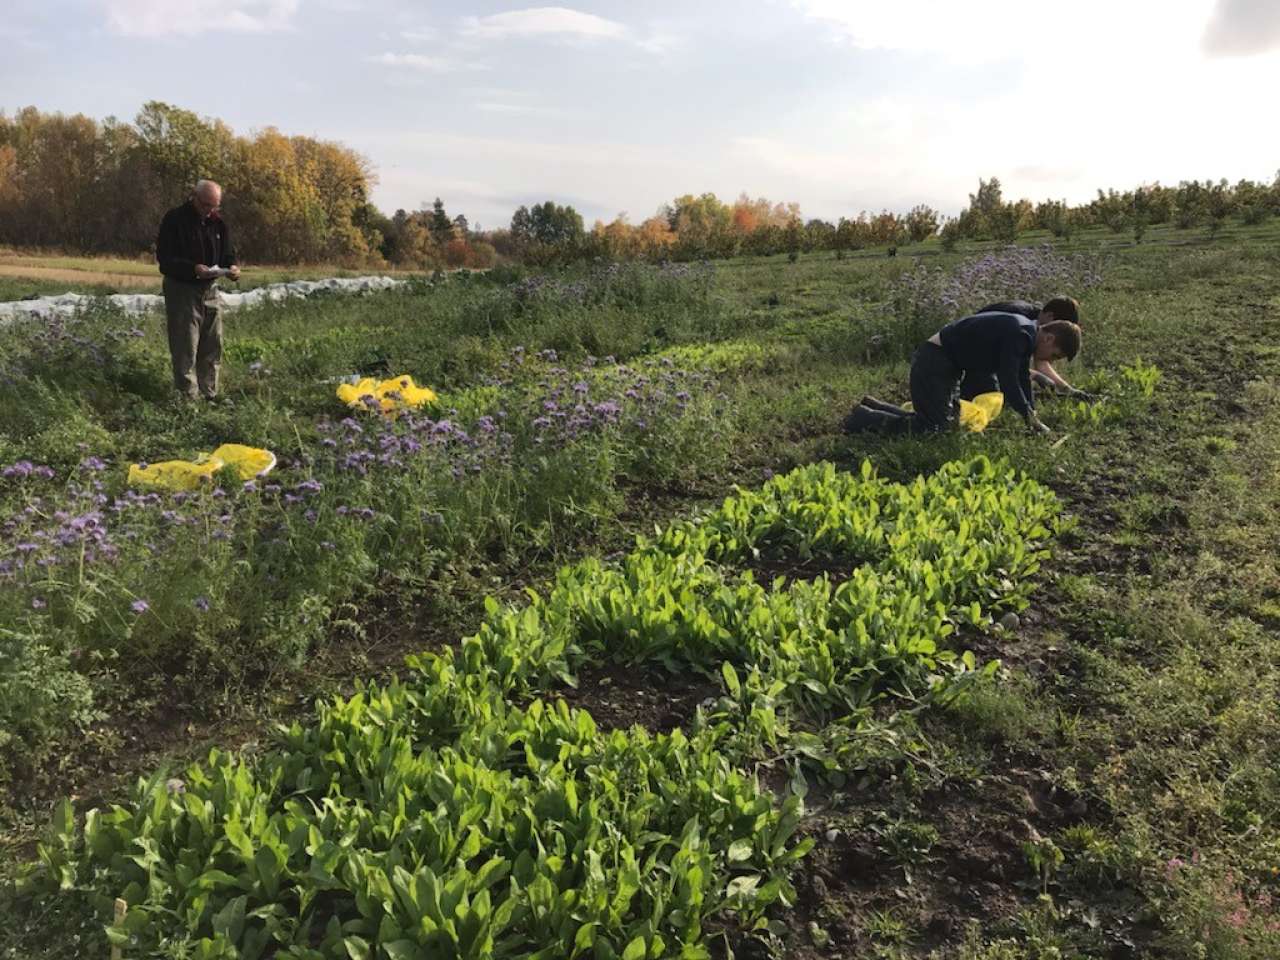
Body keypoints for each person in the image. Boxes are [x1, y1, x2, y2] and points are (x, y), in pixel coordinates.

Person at [843, 310, 1082, 436]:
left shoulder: (1026, 333)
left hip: (947, 365)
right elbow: (1008, 379)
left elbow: (1021, 377)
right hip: (935, 363)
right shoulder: (1021, 333)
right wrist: (1029, 417)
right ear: (1049, 337)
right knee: (932, 430)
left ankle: (872, 406)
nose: (1050, 361)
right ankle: (862, 418)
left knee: (943, 423)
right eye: (1055, 355)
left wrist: (1032, 414)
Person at [156, 179, 239, 400]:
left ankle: (210, 394)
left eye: (214, 206)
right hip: (182, 289)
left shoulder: (218, 223)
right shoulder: (175, 220)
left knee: (212, 344)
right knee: (186, 346)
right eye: (205, 205)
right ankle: (188, 399)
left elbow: (228, 254)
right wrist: (193, 269)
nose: (209, 211)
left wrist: (231, 268)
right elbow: (165, 260)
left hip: (210, 289)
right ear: (193, 197)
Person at [961, 296, 1092, 400]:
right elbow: (1006, 365)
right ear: (1050, 316)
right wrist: (1035, 376)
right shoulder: (1019, 321)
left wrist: (1067, 389)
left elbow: (1041, 360)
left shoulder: (1038, 324)